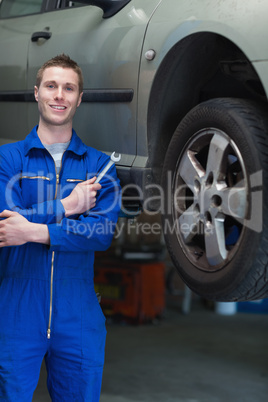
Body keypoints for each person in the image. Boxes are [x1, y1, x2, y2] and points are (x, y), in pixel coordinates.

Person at [0, 54, 121, 401]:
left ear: (79, 98)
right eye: (51, 86)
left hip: (78, 314)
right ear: (36, 92)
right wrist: (67, 207)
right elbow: (6, 224)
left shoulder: (99, 166)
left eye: (69, 88)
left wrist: (34, 229)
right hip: (15, 311)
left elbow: (100, 234)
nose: (59, 95)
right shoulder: (7, 159)